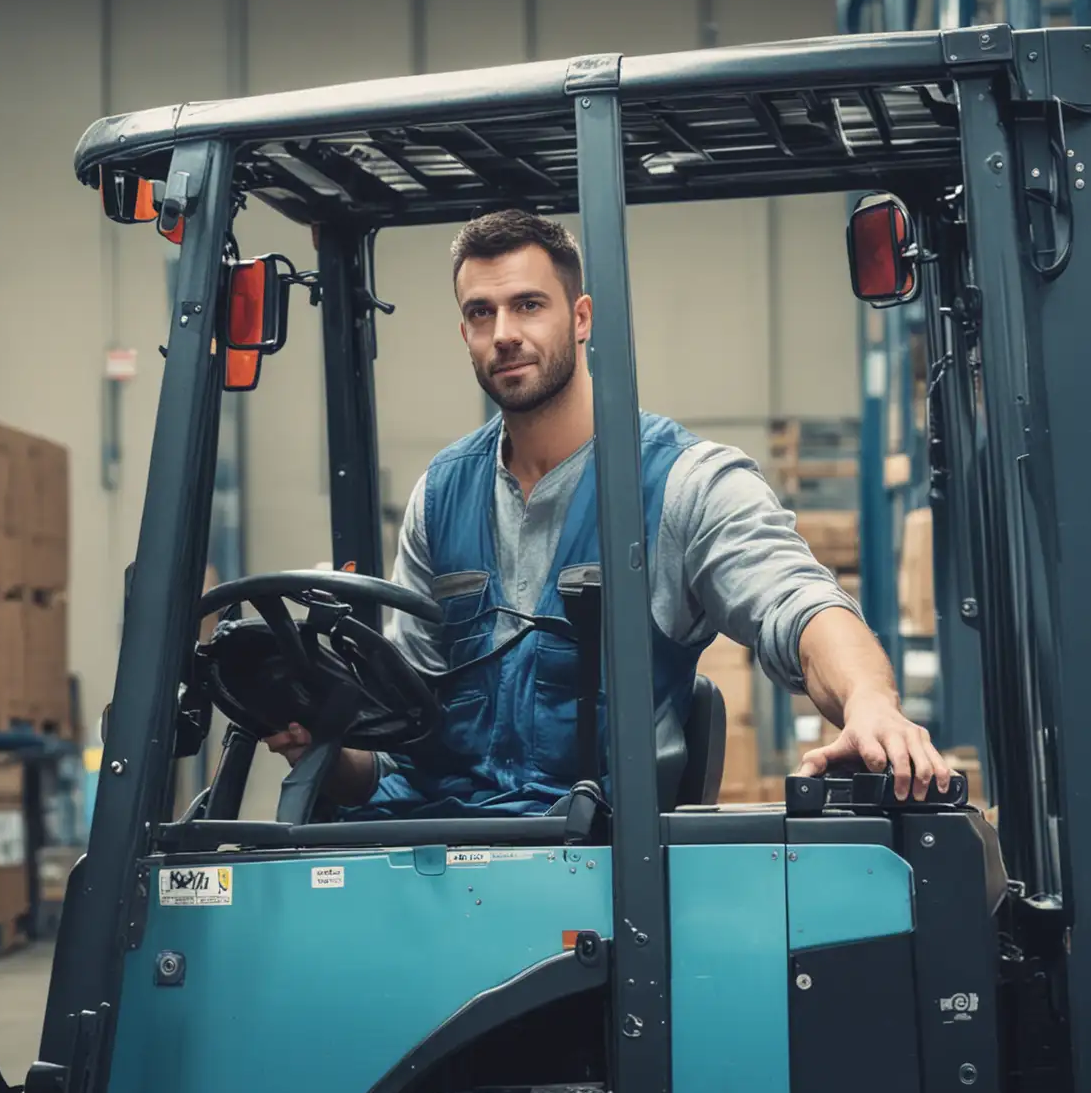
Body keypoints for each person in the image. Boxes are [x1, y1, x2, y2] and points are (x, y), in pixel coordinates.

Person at [266, 209, 953, 815]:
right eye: (482, 312)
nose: (504, 332)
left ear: (582, 317)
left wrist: (867, 700)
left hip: (595, 866)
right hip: (439, 854)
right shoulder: (439, 495)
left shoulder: (681, 482)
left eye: (529, 305)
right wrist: (319, 743)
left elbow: (799, 605)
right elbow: (401, 745)